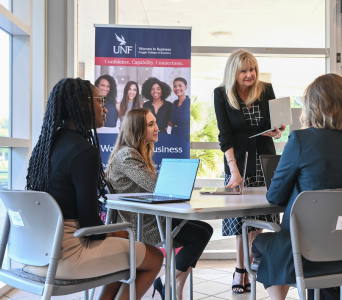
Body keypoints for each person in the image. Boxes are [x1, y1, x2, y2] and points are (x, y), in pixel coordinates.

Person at [25, 78, 163, 300]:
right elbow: (90, 224)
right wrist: (124, 234)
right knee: (154, 257)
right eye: (100, 101)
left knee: (126, 257)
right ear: (82, 105)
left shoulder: (47, 145)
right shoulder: (84, 151)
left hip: (35, 253)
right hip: (66, 255)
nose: (105, 107)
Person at [252, 74, 342, 300]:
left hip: (307, 253)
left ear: (312, 106)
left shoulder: (300, 140)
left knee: (262, 242)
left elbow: (275, 196)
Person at [105, 108, 213, 300]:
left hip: (150, 216)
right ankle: (170, 283)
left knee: (205, 229)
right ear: (137, 129)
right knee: (200, 234)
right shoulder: (127, 155)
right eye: (150, 124)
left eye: (155, 122)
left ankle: (172, 284)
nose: (157, 128)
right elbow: (156, 186)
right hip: (142, 223)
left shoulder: (136, 151)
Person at [213, 49, 286, 294]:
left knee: (260, 220)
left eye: (252, 69)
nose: (249, 75)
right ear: (234, 72)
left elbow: (273, 126)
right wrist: (233, 170)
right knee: (239, 221)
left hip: (264, 161)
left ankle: (254, 267)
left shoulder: (266, 90)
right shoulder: (222, 94)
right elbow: (225, 135)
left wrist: (276, 130)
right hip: (238, 163)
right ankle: (240, 269)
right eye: (244, 70)